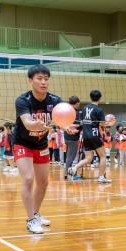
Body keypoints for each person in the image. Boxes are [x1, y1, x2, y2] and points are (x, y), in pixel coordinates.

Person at [14, 64, 77, 234]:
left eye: (46, 79)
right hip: (22, 143)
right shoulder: (22, 100)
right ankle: (31, 220)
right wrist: (36, 124)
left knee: (43, 183)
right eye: (39, 79)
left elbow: (61, 120)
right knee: (28, 178)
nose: (43, 82)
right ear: (30, 80)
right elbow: (27, 123)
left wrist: (66, 127)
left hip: (41, 144)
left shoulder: (55, 101)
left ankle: (36, 213)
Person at [68, 90, 112, 184]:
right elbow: (103, 125)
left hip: (86, 136)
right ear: (100, 98)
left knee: (89, 158)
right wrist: (108, 122)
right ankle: (101, 177)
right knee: (103, 156)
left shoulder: (84, 108)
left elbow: (82, 122)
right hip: (95, 135)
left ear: (90, 97)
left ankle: (74, 168)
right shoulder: (99, 110)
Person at [64, 96, 82, 180]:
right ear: (77, 102)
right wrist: (83, 124)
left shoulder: (67, 111)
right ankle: (68, 175)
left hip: (67, 136)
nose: (79, 105)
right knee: (70, 157)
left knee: (68, 156)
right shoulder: (74, 112)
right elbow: (77, 125)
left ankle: (67, 174)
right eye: (79, 103)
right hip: (73, 138)